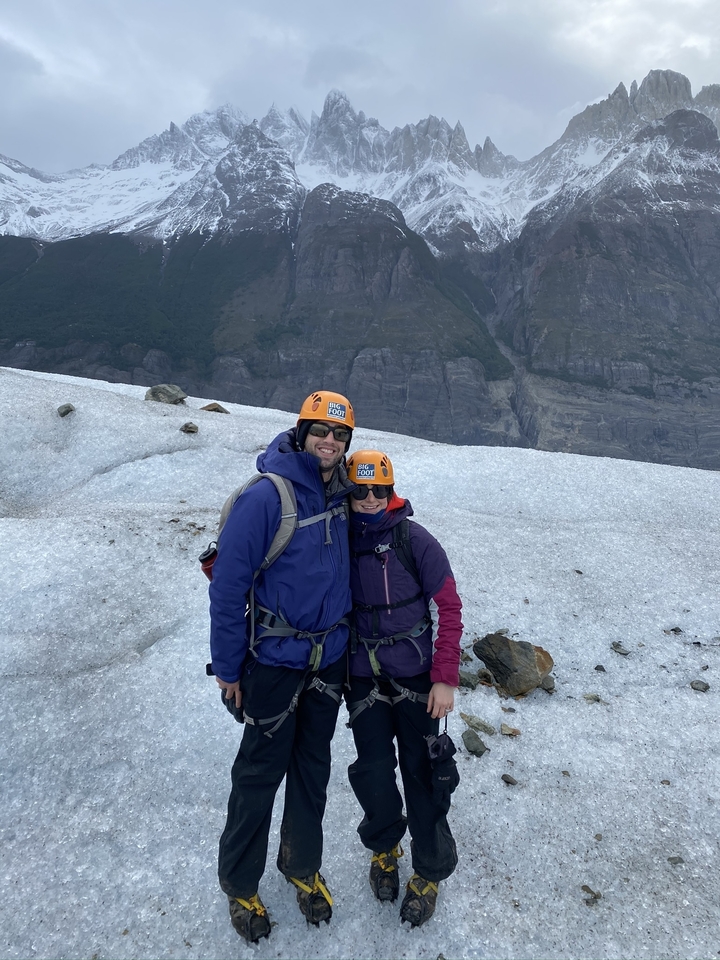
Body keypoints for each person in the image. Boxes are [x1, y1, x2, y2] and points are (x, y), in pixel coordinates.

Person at [209, 390, 356, 943]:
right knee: (258, 775)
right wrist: (228, 670)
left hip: (328, 661)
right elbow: (228, 589)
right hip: (272, 661)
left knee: (312, 770)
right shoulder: (268, 497)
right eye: (320, 430)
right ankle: (240, 882)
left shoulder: (341, 493)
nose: (329, 441)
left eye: (339, 435)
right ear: (300, 432)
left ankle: (300, 865)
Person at [344, 449, 462, 928]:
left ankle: (429, 869)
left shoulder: (416, 541)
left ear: (392, 492)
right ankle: (384, 848)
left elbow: (448, 608)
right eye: (360, 490)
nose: (370, 499)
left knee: (423, 773)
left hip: (417, 680)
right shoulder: (339, 540)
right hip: (363, 677)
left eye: (380, 490)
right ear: (348, 493)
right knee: (373, 770)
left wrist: (444, 678)